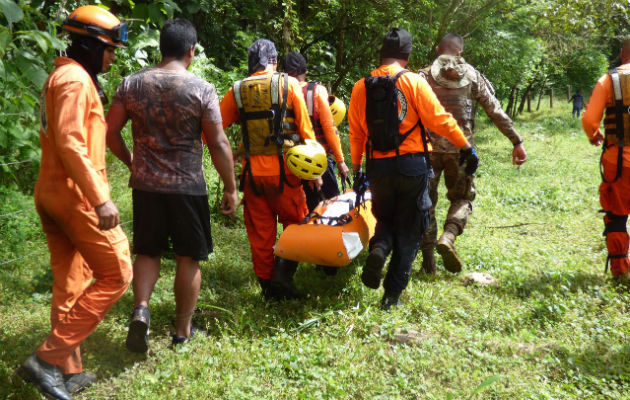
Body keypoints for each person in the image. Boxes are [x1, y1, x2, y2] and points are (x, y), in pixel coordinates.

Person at [17, 6, 132, 400]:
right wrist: (101, 199)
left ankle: (67, 372)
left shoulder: (65, 75)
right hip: (75, 195)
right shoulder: (75, 80)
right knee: (118, 273)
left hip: (54, 191)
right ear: (89, 45)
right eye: (109, 49)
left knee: (71, 282)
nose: (113, 57)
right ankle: (46, 362)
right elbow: (69, 142)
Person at [106, 19, 238, 352]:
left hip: (146, 185)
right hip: (187, 186)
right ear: (190, 51)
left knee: (148, 251)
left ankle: (141, 309)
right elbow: (219, 142)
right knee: (187, 258)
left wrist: (132, 161)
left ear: (161, 47)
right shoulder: (202, 89)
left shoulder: (131, 84)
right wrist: (230, 186)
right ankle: (182, 332)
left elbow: (109, 133)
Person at [348, 28, 477, 310]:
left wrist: (357, 168)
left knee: (384, 219)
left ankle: (380, 248)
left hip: (378, 167)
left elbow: (356, 134)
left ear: (382, 53)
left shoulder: (361, 86)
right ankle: (391, 296)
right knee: (410, 230)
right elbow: (440, 120)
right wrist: (465, 146)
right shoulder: (414, 82)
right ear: (406, 55)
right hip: (412, 167)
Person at [418, 33, 527, 274]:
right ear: (460, 52)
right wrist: (516, 141)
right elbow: (495, 111)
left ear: (438, 50)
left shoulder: (422, 77)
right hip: (461, 150)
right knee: (463, 198)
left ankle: (428, 261)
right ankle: (448, 237)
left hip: (427, 151)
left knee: (426, 203)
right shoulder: (472, 76)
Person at [220, 39, 319, 300]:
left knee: (260, 235)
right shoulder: (290, 85)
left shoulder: (237, 90)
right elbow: (306, 132)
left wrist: (232, 155)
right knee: (297, 224)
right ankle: (282, 278)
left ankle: (268, 290)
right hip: (286, 173)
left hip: (252, 176)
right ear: (274, 61)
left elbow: (212, 130)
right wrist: (316, 171)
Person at [582, 35, 630, 283]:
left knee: (617, 216)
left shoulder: (608, 80)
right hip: (619, 161)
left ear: (622, 54)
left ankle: (622, 272)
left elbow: (589, 120)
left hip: (619, 162)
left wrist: (594, 134)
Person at [283, 51, 350, 211]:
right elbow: (329, 128)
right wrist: (340, 161)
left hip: (290, 165)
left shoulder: (280, 92)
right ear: (304, 71)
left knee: (303, 213)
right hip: (318, 163)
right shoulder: (316, 91)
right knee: (331, 209)